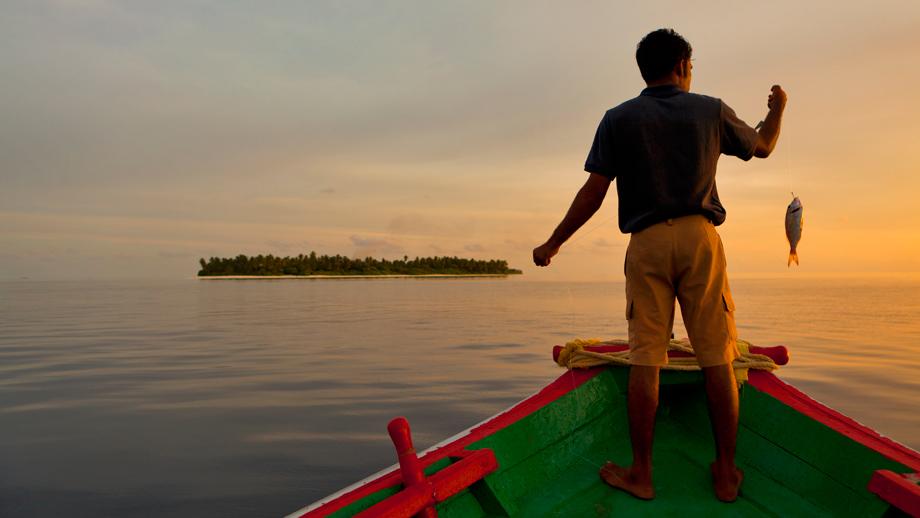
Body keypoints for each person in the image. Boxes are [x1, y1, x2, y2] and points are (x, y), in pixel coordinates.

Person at [532, 28, 786, 503]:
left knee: (646, 358)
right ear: (684, 66)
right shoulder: (709, 109)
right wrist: (777, 110)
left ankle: (642, 474)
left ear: (645, 70)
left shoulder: (617, 119)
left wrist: (554, 242)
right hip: (699, 238)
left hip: (646, 242)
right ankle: (727, 473)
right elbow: (764, 145)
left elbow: (594, 192)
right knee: (717, 356)